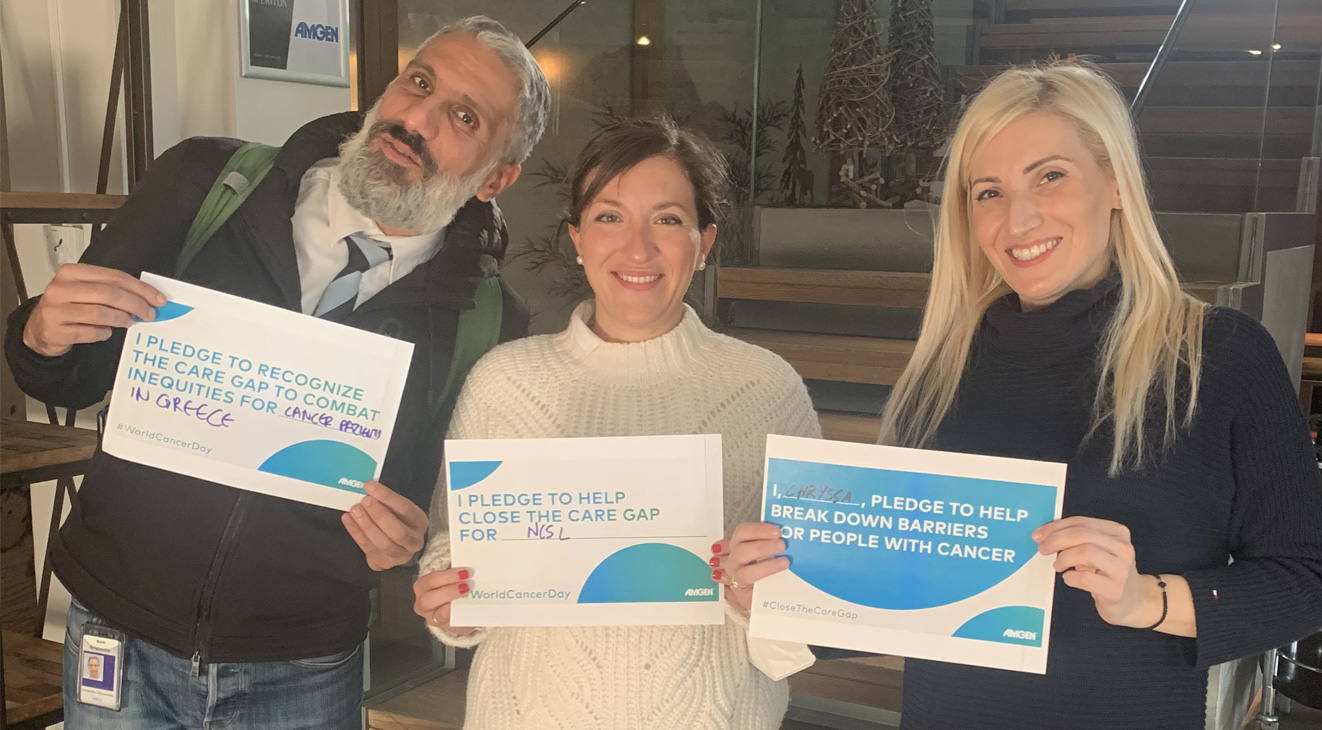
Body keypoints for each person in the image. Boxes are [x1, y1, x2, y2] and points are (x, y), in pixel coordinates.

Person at [753, 61, 1322, 729]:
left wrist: (1144, 599)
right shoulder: (943, 370)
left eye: (1050, 176)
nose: (1018, 219)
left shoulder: (1220, 356)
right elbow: (905, 601)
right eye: (988, 192)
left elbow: (1307, 585)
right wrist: (780, 589)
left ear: (1116, 183)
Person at [4, 16, 550, 728]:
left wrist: (405, 541)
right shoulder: (205, 183)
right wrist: (41, 335)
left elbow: (424, 502)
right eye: (418, 83)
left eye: (463, 116)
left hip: (302, 665)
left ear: (497, 177)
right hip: (119, 630)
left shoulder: (487, 320)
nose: (416, 119)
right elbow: (72, 378)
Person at [410, 116, 822, 729]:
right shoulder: (505, 383)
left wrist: (765, 597)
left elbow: (808, 602)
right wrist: (451, 604)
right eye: (609, 217)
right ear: (576, 238)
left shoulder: (765, 389)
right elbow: (451, 547)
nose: (638, 248)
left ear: (704, 243)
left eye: (668, 219)